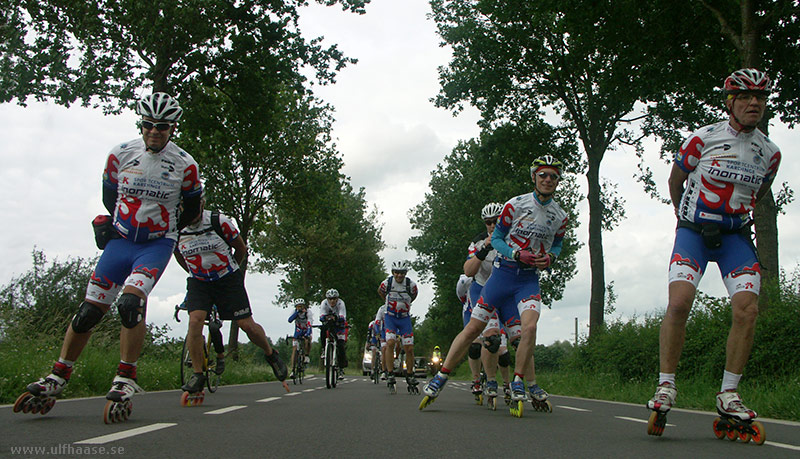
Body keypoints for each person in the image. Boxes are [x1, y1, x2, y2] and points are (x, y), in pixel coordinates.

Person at [18, 93, 203, 415]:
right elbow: (109, 196)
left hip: (156, 244)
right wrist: (113, 223)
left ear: (173, 128)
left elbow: (191, 209)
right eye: (148, 125)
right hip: (120, 242)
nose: (154, 132)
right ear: (141, 124)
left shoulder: (185, 164)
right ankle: (59, 375)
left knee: (130, 303)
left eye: (161, 126)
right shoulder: (119, 154)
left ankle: (126, 376)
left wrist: (164, 230)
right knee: (89, 311)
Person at [646, 69, 781, 431]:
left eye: (761, 97)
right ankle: (666, 384)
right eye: (745, 97)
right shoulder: (702, 139)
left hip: (735, 237)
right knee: (678, 303)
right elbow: (675, 180)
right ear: (730, 102)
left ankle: (729, 392)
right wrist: (684, 217)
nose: (755, 103)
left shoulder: (770, 153)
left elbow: (760, 194)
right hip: (693, 231)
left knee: (748, 309)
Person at [421, 155, 567, 413]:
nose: (547, 180)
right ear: (534, 177)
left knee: (528, 328)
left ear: (557, 181)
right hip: (502, 276)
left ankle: (521, 381)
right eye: (542, 175)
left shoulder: (560, 215)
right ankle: (441, 376)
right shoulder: (515, 205)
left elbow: (557, 242)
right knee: (473, 331)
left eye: (553, 176)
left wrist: (551, 257)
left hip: (528, 280)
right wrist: (514, 253)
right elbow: (497, 238)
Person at [173, 198, 287, 393]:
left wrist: (230, 271)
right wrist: (193, 272)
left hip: (227, 279)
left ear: (201, 204)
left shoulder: (219, 221)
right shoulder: (175, 227)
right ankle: (198, 374)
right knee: (195, 321)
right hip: (199, 281)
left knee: (246, 325)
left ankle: (270, 353)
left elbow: (241, 248)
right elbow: (177, 254)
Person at [464, 203, 504, 401]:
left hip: (504, 289)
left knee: (514, 340)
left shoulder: (512, 239)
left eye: (496, 221)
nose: (492, 225)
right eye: (488, 222)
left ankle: (516, 382)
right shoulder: (478, 242)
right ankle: (488, 380)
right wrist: (485, 249)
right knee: (490, 338)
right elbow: (469, 271)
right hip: (482, 289)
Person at [378, 260, 419, 391]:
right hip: (390, 317)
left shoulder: (411, 285)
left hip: (404, 318)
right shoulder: (387, 283)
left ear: (405, 273)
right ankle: (390, 373)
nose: (399, 276)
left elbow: (414, 295)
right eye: (396, 273)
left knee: (409, 348)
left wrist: (406, 305)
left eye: (402, 273)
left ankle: (410, 374)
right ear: (393, 273)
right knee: (390, 343)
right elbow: (380, 292)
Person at [319, 288, 348, 379]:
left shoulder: (341, 303)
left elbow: (343, 316)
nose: (332, 301)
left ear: (337, 299)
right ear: (327, 299)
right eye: (330, 299)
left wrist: (337, 318)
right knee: (323, 329)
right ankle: (324, 349)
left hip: (339, 325)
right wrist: (325, 318)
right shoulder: (324, 303)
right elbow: (321, 316)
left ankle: (341, 368)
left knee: (341, 345)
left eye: (334, 299)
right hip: (329, 323)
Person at [288, 298, 313, 379]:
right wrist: (297, 313)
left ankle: (306, 355)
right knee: (294, 349)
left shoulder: (308, 312)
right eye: (298, 307)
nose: (300, 308)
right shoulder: (294, 311)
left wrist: (307, 334)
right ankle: (292, 370)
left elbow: (310, 323)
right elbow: (290, 320)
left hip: (306, 329)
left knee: (307, 340)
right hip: (298, 330)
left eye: (301, 306)